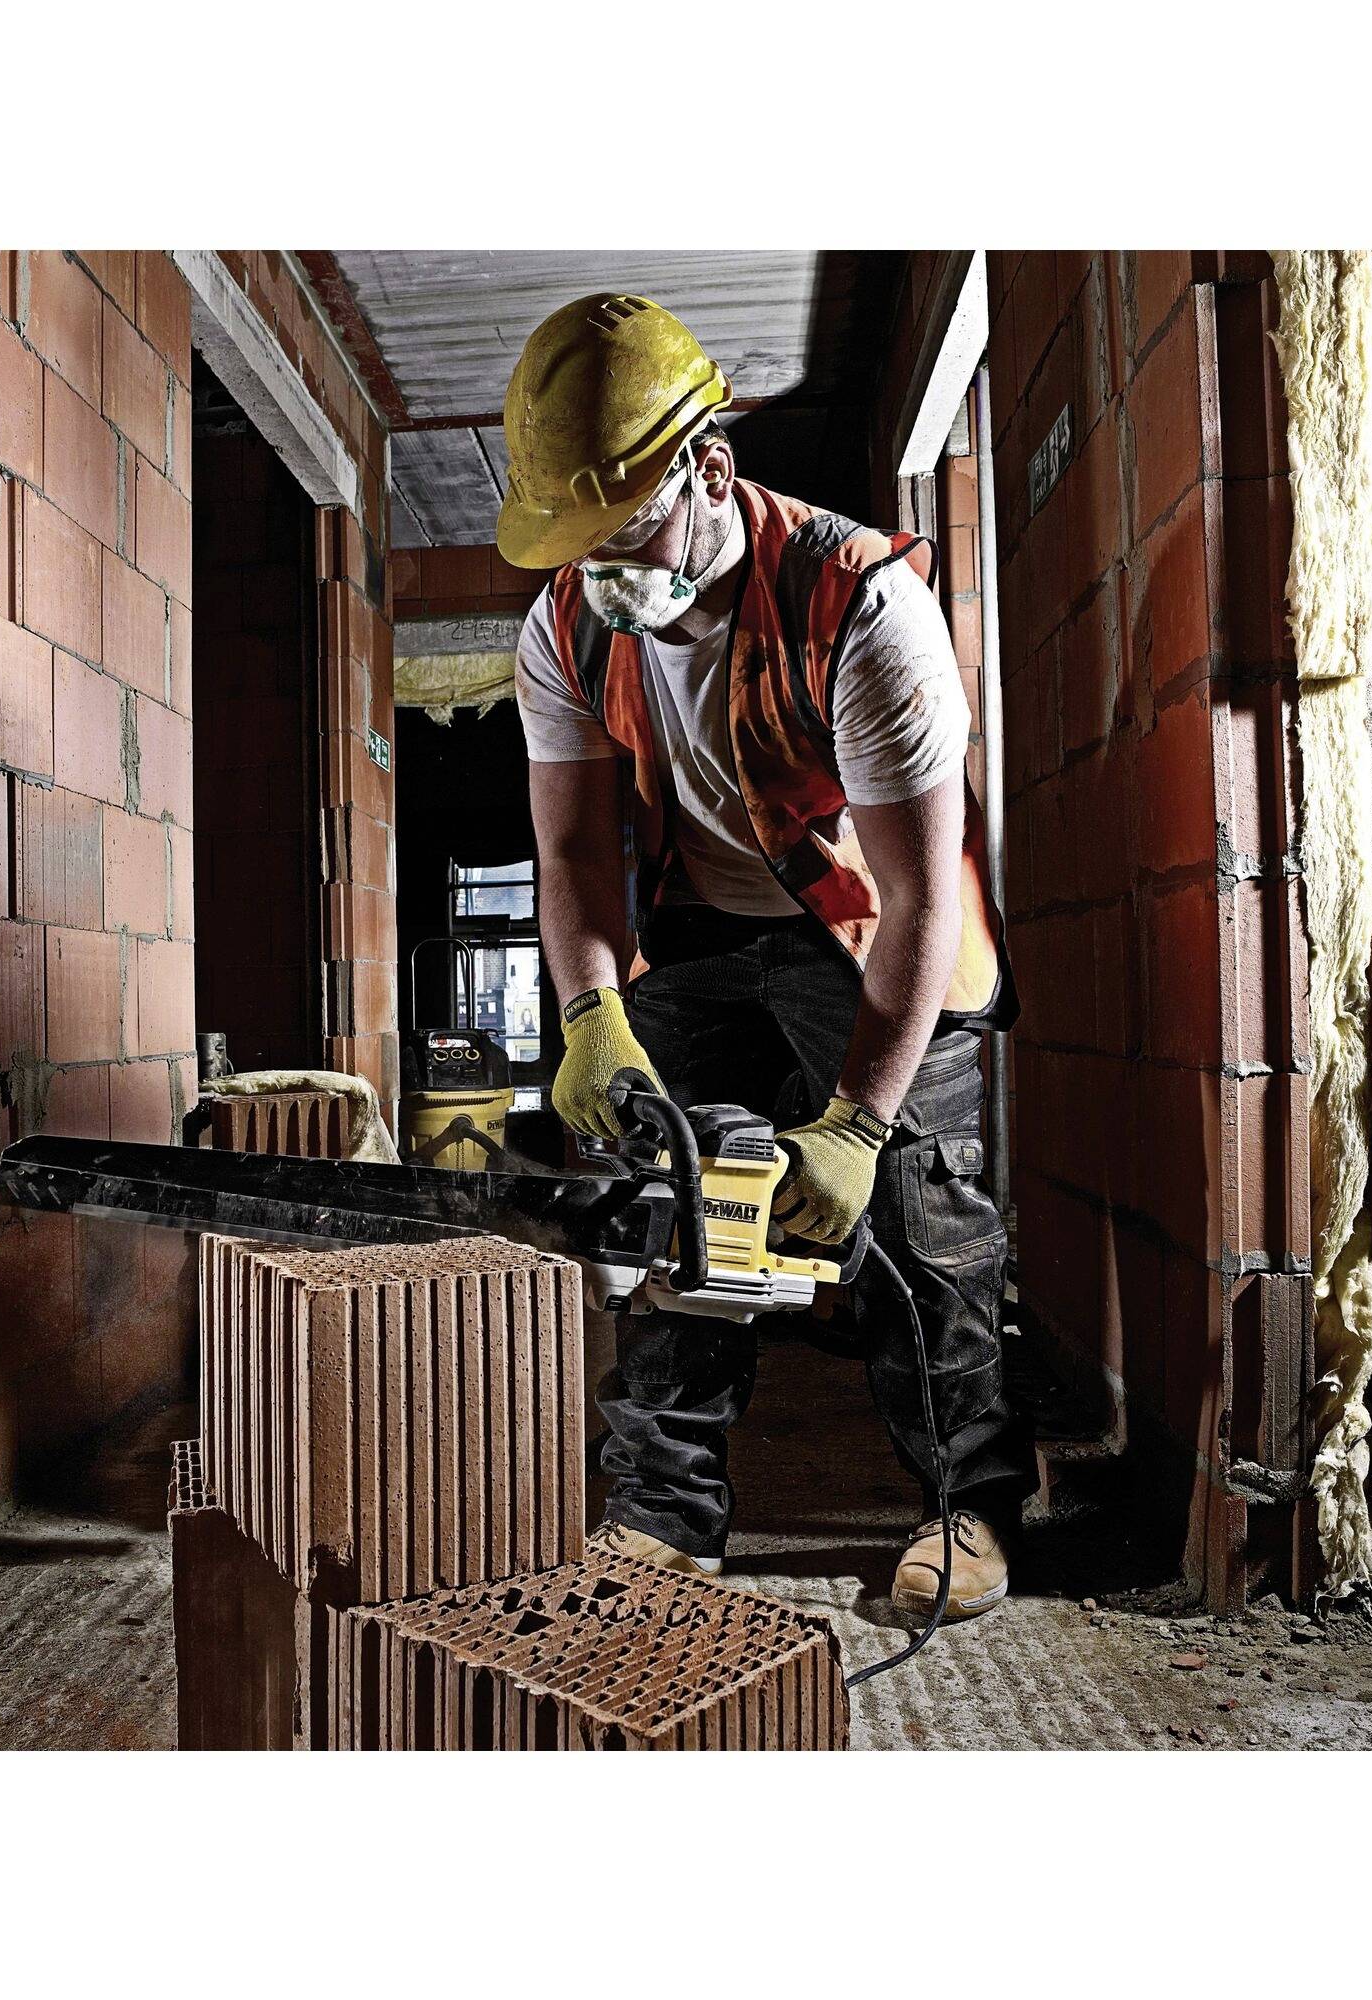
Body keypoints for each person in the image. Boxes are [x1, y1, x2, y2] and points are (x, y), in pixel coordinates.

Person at [499, 292, 1033, 1619]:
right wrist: (590, 1015)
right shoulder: (564, 629)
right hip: (698, 927)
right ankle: (663, 1515)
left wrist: (855, 1122)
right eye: (578, 548)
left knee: (918, 1216)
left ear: (711, 470)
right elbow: (572, 854)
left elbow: (919, 897)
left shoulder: (866, 607)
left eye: (628, 535)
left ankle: (965, 1506)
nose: (607, 575)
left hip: (868, 932)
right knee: (670, 1198)